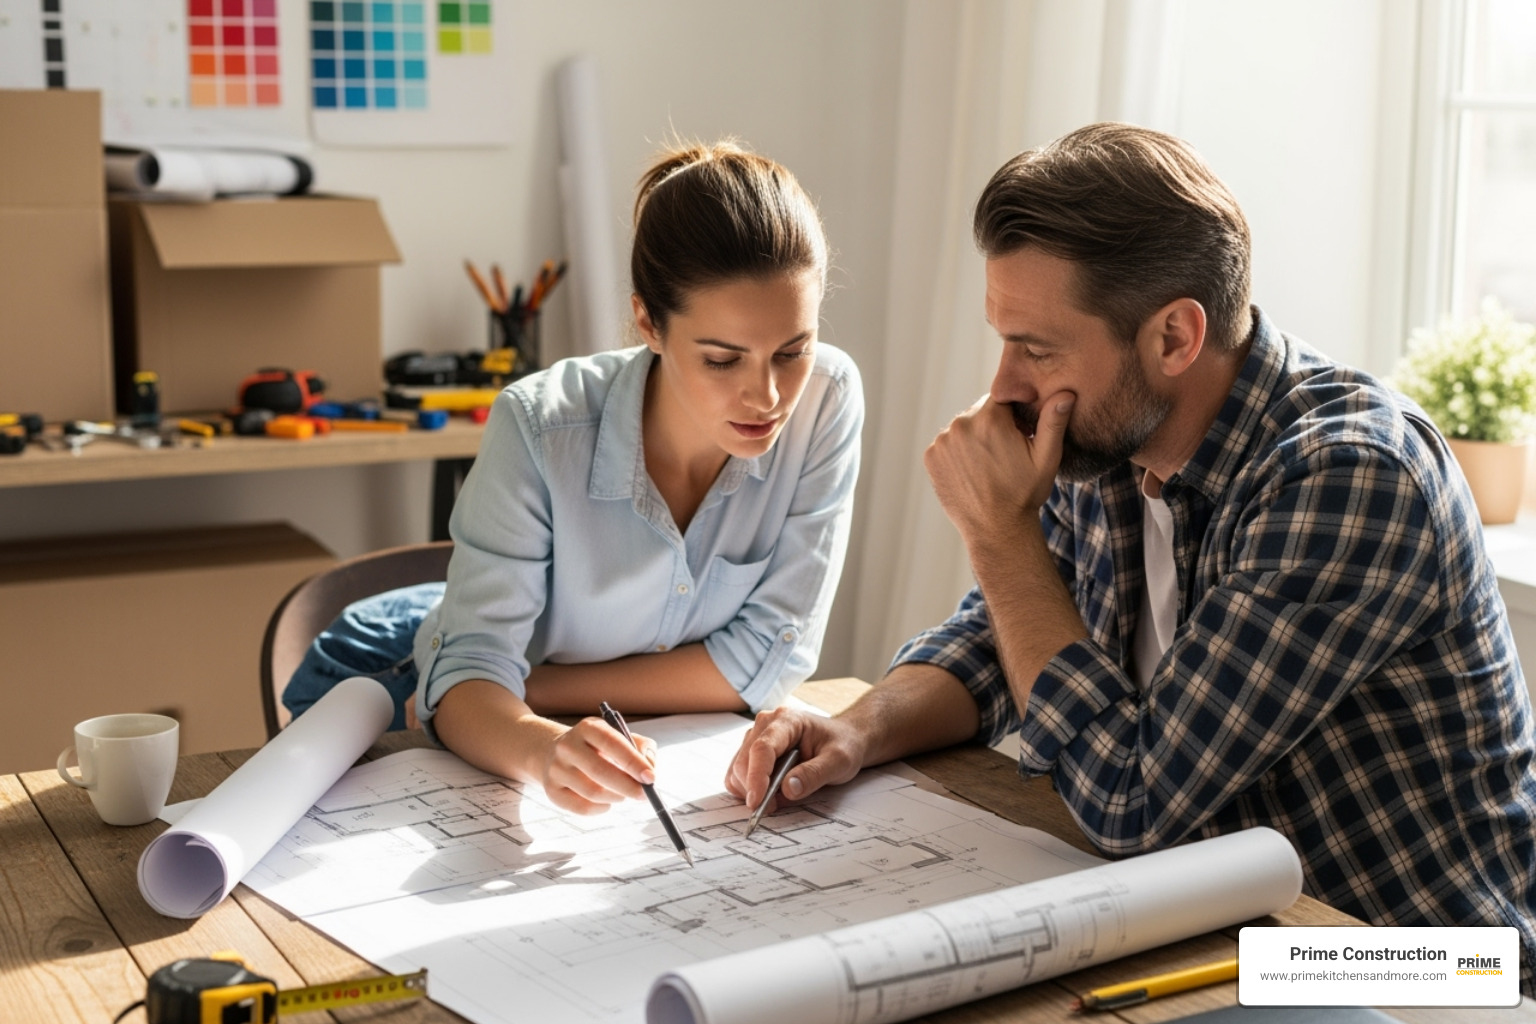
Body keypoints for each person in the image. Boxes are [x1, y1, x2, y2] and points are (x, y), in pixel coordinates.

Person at [726, 122, 1536, 993]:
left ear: (1174, 339)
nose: (1005, 386)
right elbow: (1006, 641)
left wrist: (999, 534)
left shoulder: (1350, 477)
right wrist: (859, 727)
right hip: (1228, 930)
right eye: (1005, 341)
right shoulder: (1115, 434)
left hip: (1425, 968)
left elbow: (1131, 798)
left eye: (1036, 349)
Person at [285, 139, 862, 816]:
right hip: (391, 678)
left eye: (791, 350)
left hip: (532, 686)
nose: (766, 396)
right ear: (648, 321)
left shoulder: (826, 397)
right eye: (722, 360)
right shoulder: (538, 428)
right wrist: (538, 746)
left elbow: (770, 661)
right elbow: (466, 674)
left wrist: (538, 687)